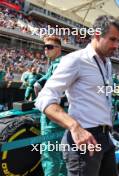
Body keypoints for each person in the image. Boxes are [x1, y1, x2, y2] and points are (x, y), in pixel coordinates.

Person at [35, 15, 119, 176]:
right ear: (97, 35)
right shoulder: (75, 60)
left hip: (106, 138)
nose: (116, 46)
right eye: (112, 39)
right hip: (84, 140)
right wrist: (74, 127)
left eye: (118, 40)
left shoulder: (108, 62)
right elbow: (44, 97)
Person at [35, 35, 67, 176]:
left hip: (52, 116)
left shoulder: (59, 63)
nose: (45, 50)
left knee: (50, 155)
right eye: (44, 47)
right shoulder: (56, 63)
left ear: (59, 49)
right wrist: (39, 82)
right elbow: (47, 77)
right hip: (61, 114)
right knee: (61, 154)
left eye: (49, 47)